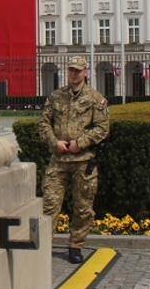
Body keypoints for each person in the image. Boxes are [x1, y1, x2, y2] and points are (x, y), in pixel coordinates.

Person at [38, 56, 110, 264]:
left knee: (83, 207)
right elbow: (44, 123)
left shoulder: (95, 98)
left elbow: (102, 128)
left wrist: (81, 142)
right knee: (49, 204)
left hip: (83, 160)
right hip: (59, 159)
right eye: (71, 70)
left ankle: (75, 246)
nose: (74, 74)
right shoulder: (56, 96)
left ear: (85, 72)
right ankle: (43, 247)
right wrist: (54, 142)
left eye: (78, 70)